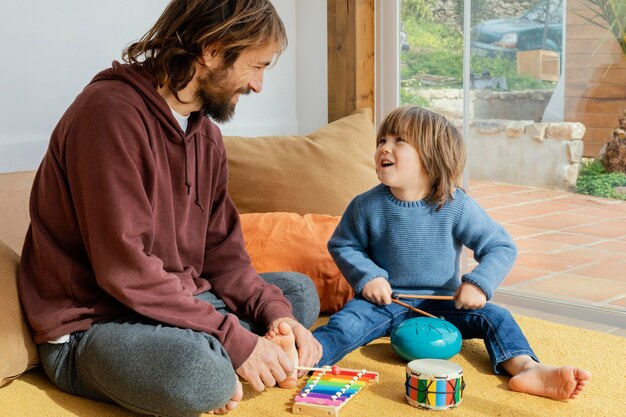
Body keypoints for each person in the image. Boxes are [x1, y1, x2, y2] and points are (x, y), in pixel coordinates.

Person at [18, 1, 322, 416]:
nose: (258, 85)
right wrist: (236, 340)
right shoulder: (108, 115)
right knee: (202, 374)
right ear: (212, 50)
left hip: (173, 305)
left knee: (294, 296)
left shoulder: (206, 137)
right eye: (256, 66)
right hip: (95, 326)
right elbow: (124, 270)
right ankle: (213, 362)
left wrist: (276, 318)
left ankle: (219, 354)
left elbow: (224, 256)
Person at [312, 106, 591, 400]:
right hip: (384, 301)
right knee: (345, 325)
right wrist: (368, 277)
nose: (385, 147)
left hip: (444, 303)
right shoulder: (365, 205)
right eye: (382, 140)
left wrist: (478, 283)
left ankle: (526, 368)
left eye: (398, 141)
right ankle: (301, 356)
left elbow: (500, 246)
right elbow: (343, 244)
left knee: (497, 318)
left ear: (432, 156)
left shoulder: (455, 204)